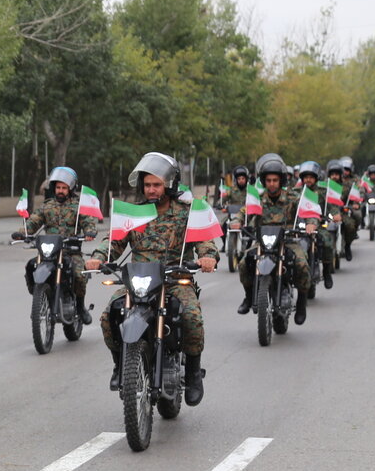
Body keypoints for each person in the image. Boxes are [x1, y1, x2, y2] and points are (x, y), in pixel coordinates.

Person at [86, 153, 217, 405]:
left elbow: (204, 240)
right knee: (108, 317)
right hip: (139, 281)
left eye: (156, 184)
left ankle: (192, 374)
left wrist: (207, 257)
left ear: (169, 184)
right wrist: (98, 257)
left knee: (191, 317)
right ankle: (120, 365)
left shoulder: (186, 213)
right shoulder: (134, 214)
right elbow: (113, 242)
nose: (152, 189)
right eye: (147, 185)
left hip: (174, 279)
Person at [10, 166, 96, 324]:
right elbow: (33, 221)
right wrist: (23, 232)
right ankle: (39, 294)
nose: (61, 191)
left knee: (79, 274)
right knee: (31, 266)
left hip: (71, 250)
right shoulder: (47, 206)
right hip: (50, 251)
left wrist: (90, 231)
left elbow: (88, 222)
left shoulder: (78, 206)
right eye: (58, 187)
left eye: (64, 188)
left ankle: (80, 307)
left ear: (70, 188)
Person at [236, 152, 313, 325]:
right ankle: (248, 297)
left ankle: (301, 303)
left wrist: (311, 223)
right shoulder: (258, 199)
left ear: (281, 181)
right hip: (263, 241)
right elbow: (244, 212)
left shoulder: (293, 198)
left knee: (302, 264)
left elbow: (308, 212)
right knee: (243, 263)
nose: (271, 184)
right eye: (268, 180)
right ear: (264, 181)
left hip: (288, 240)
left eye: (275, 180)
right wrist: (236, 221)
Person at [296, 161, 334, 290]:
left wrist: (334, 214)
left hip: (319, 224)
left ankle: (327, 272)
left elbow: (331, 207)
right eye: (306, 177)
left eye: (311, 177)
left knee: (328, 241)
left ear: (316, 178)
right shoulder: (295, 192)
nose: (308, 180)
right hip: (299, 224)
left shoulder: (323, 192)